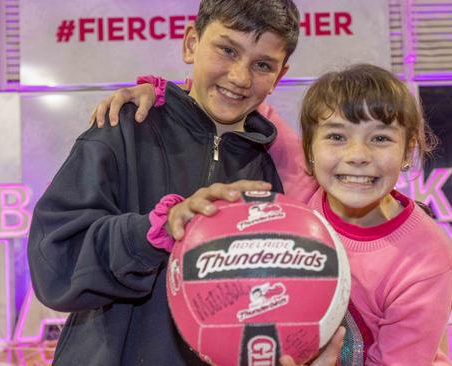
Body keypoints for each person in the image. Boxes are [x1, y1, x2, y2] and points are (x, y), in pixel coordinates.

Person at [28, 1, 344, 365]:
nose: (240, 77)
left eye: (262, 65)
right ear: (191, 43)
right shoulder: (126, 127)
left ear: (279, 76)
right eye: (227, 50)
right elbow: (55, 263)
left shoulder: (266, 171)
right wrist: (153, 230)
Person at [95, 64, 452, 365]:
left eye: (380, 138)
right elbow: (241, 99)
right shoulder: (304, 192)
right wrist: (163, 96)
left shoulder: (428, 262)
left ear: (407, 151)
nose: (357, 154)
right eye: (336, 137)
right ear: (309, 150)